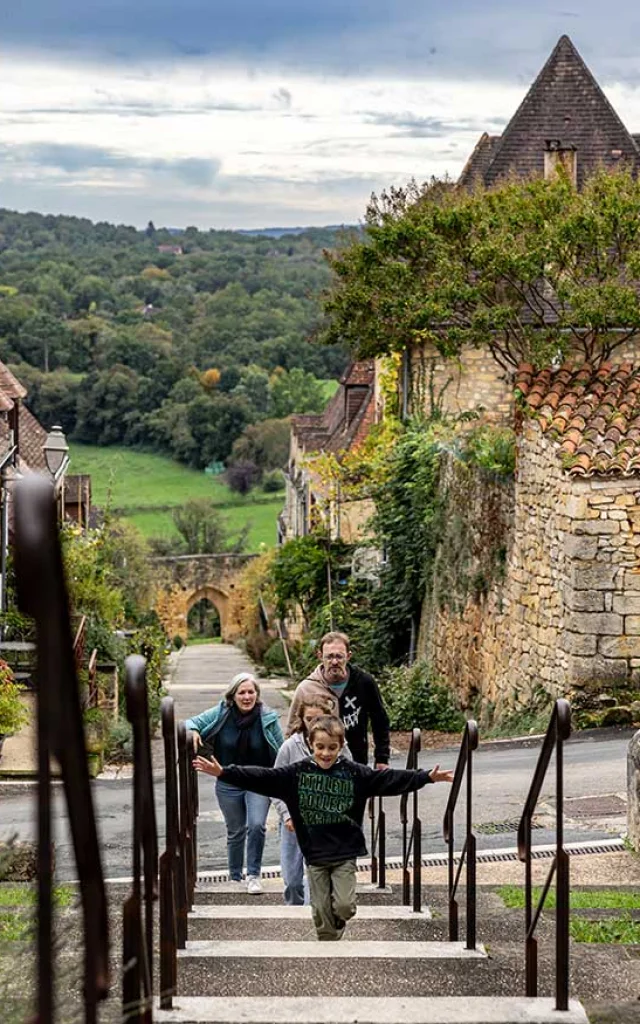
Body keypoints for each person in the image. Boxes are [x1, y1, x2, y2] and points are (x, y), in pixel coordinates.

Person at [194, 714, 453, 940]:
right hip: (315, 854)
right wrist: (224, 773)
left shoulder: (354, 773)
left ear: (341, 747)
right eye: (320, 747)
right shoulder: (296, 774)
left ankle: (338, 924)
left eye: (332, 748)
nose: (326, 753)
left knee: (344, 907)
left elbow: (388, 779)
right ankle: (329, 952)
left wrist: (425, 777)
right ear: (310, 745)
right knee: (319, 912)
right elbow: (262, 777)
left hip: (344, 852)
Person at [185, 671, 284, 894]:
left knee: (257, 825)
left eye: (251, 692)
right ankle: (235, 876)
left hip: (258, 780)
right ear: (233, 695)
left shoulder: (267, 717)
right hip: (228, 780)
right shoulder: (221, 712)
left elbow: (283, 749)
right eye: (242, 692)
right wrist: (192, 730)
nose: (247, 697)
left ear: (257, 695)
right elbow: (189, 722)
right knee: (236, 830)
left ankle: (254, 875)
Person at [273, 698, 352, 906]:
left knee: (315, 878)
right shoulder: (290, 747)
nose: (312, 723)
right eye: (309, 719)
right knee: (292, 881)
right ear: (302, 720)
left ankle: (312, 918)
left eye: (317, 718)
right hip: (293, 821)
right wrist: (287, 814)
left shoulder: (339, 747)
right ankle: (294, 910)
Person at [286, 631, 390, 768]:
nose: (334, 662)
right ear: (319, 656)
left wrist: (382, 758)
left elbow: (380, 720)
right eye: (329, 657)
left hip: (356, 763)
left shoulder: (364, 683)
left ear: (348, 656)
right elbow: (293, 730)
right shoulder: (306, 689)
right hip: (317, 765)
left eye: (339, 656)